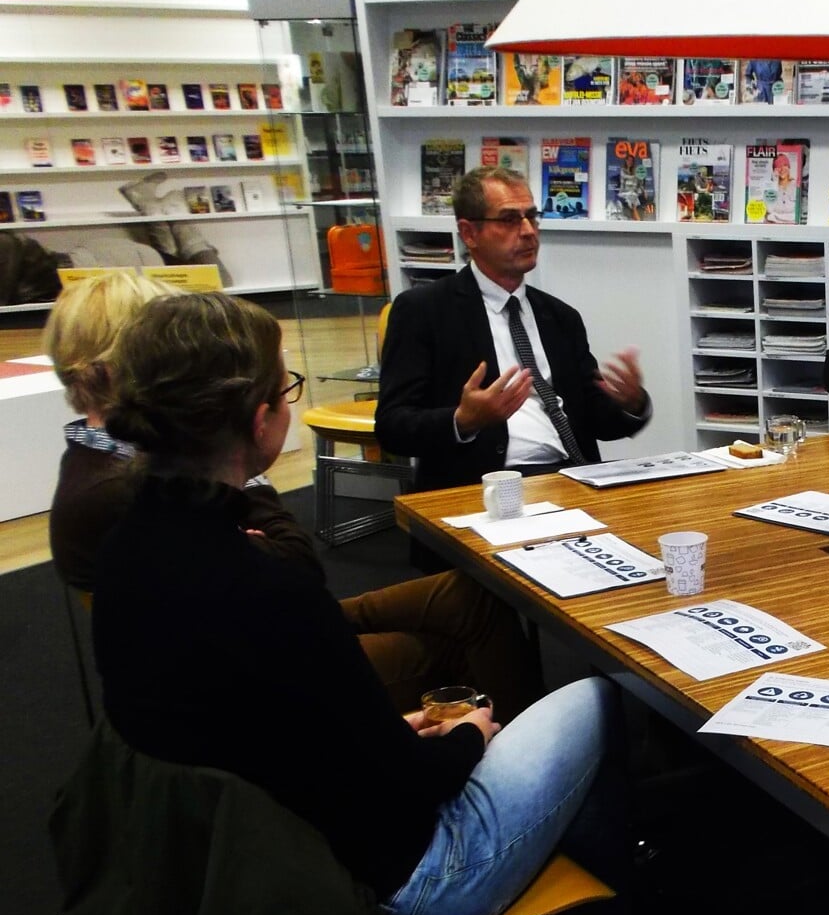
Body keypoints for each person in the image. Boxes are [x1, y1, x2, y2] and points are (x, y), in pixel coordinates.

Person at [89, 293, 698, 915]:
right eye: (286, 386)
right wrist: (471, 735)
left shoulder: (123, 555)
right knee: (598, 698)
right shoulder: (268, 588)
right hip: (389, 890)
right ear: (261, 417)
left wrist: (393, 734)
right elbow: (409, 786)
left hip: (234, 873)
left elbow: (256, 730)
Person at [42, 271, 541, 720]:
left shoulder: (127, 469)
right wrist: (242, 465)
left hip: (255, 627)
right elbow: (291, 570)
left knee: (471, 592)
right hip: (257, 659)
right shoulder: (131, 489)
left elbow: (275, 566)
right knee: (461, 645)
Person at [377, 166, 650, 494]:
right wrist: (464, 419)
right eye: (509, 220)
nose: (528, 231)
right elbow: (393, 427)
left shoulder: (560, 317)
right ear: (469, 233)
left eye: (532, 217)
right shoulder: (424, 311)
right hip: (487, 485)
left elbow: (596, 420)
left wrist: (630, 404)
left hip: (574, 478)